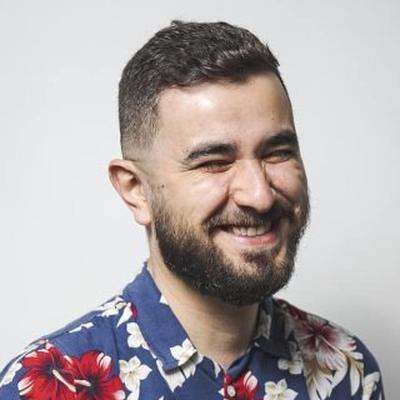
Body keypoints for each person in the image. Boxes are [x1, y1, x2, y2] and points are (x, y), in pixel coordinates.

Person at [0, 20, 384, 400]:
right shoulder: (49, 387)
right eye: (214, 162)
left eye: (277, 153)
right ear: (136, 190)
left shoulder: (345, 369)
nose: (260, 196)